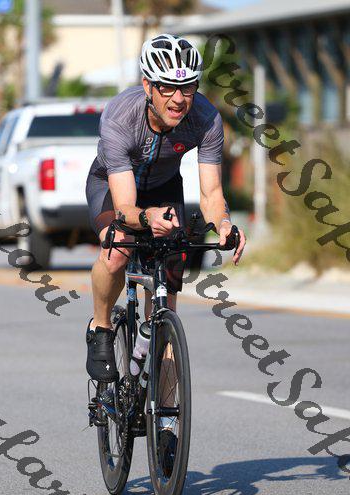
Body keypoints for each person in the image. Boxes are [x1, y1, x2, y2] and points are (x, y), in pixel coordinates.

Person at [85, 33, 246, 383]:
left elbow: (212, 192)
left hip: (164, 188)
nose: (178, 99)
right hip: (113, 186)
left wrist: (223, 223)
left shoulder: (205, 118)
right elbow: (125, 207)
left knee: (166, 291)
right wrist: (146, 218)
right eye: (167, 87)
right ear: (148, 86)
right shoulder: (120, 117)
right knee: (117, 250)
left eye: (187, 87)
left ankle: (165, 408)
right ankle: (101, 327)